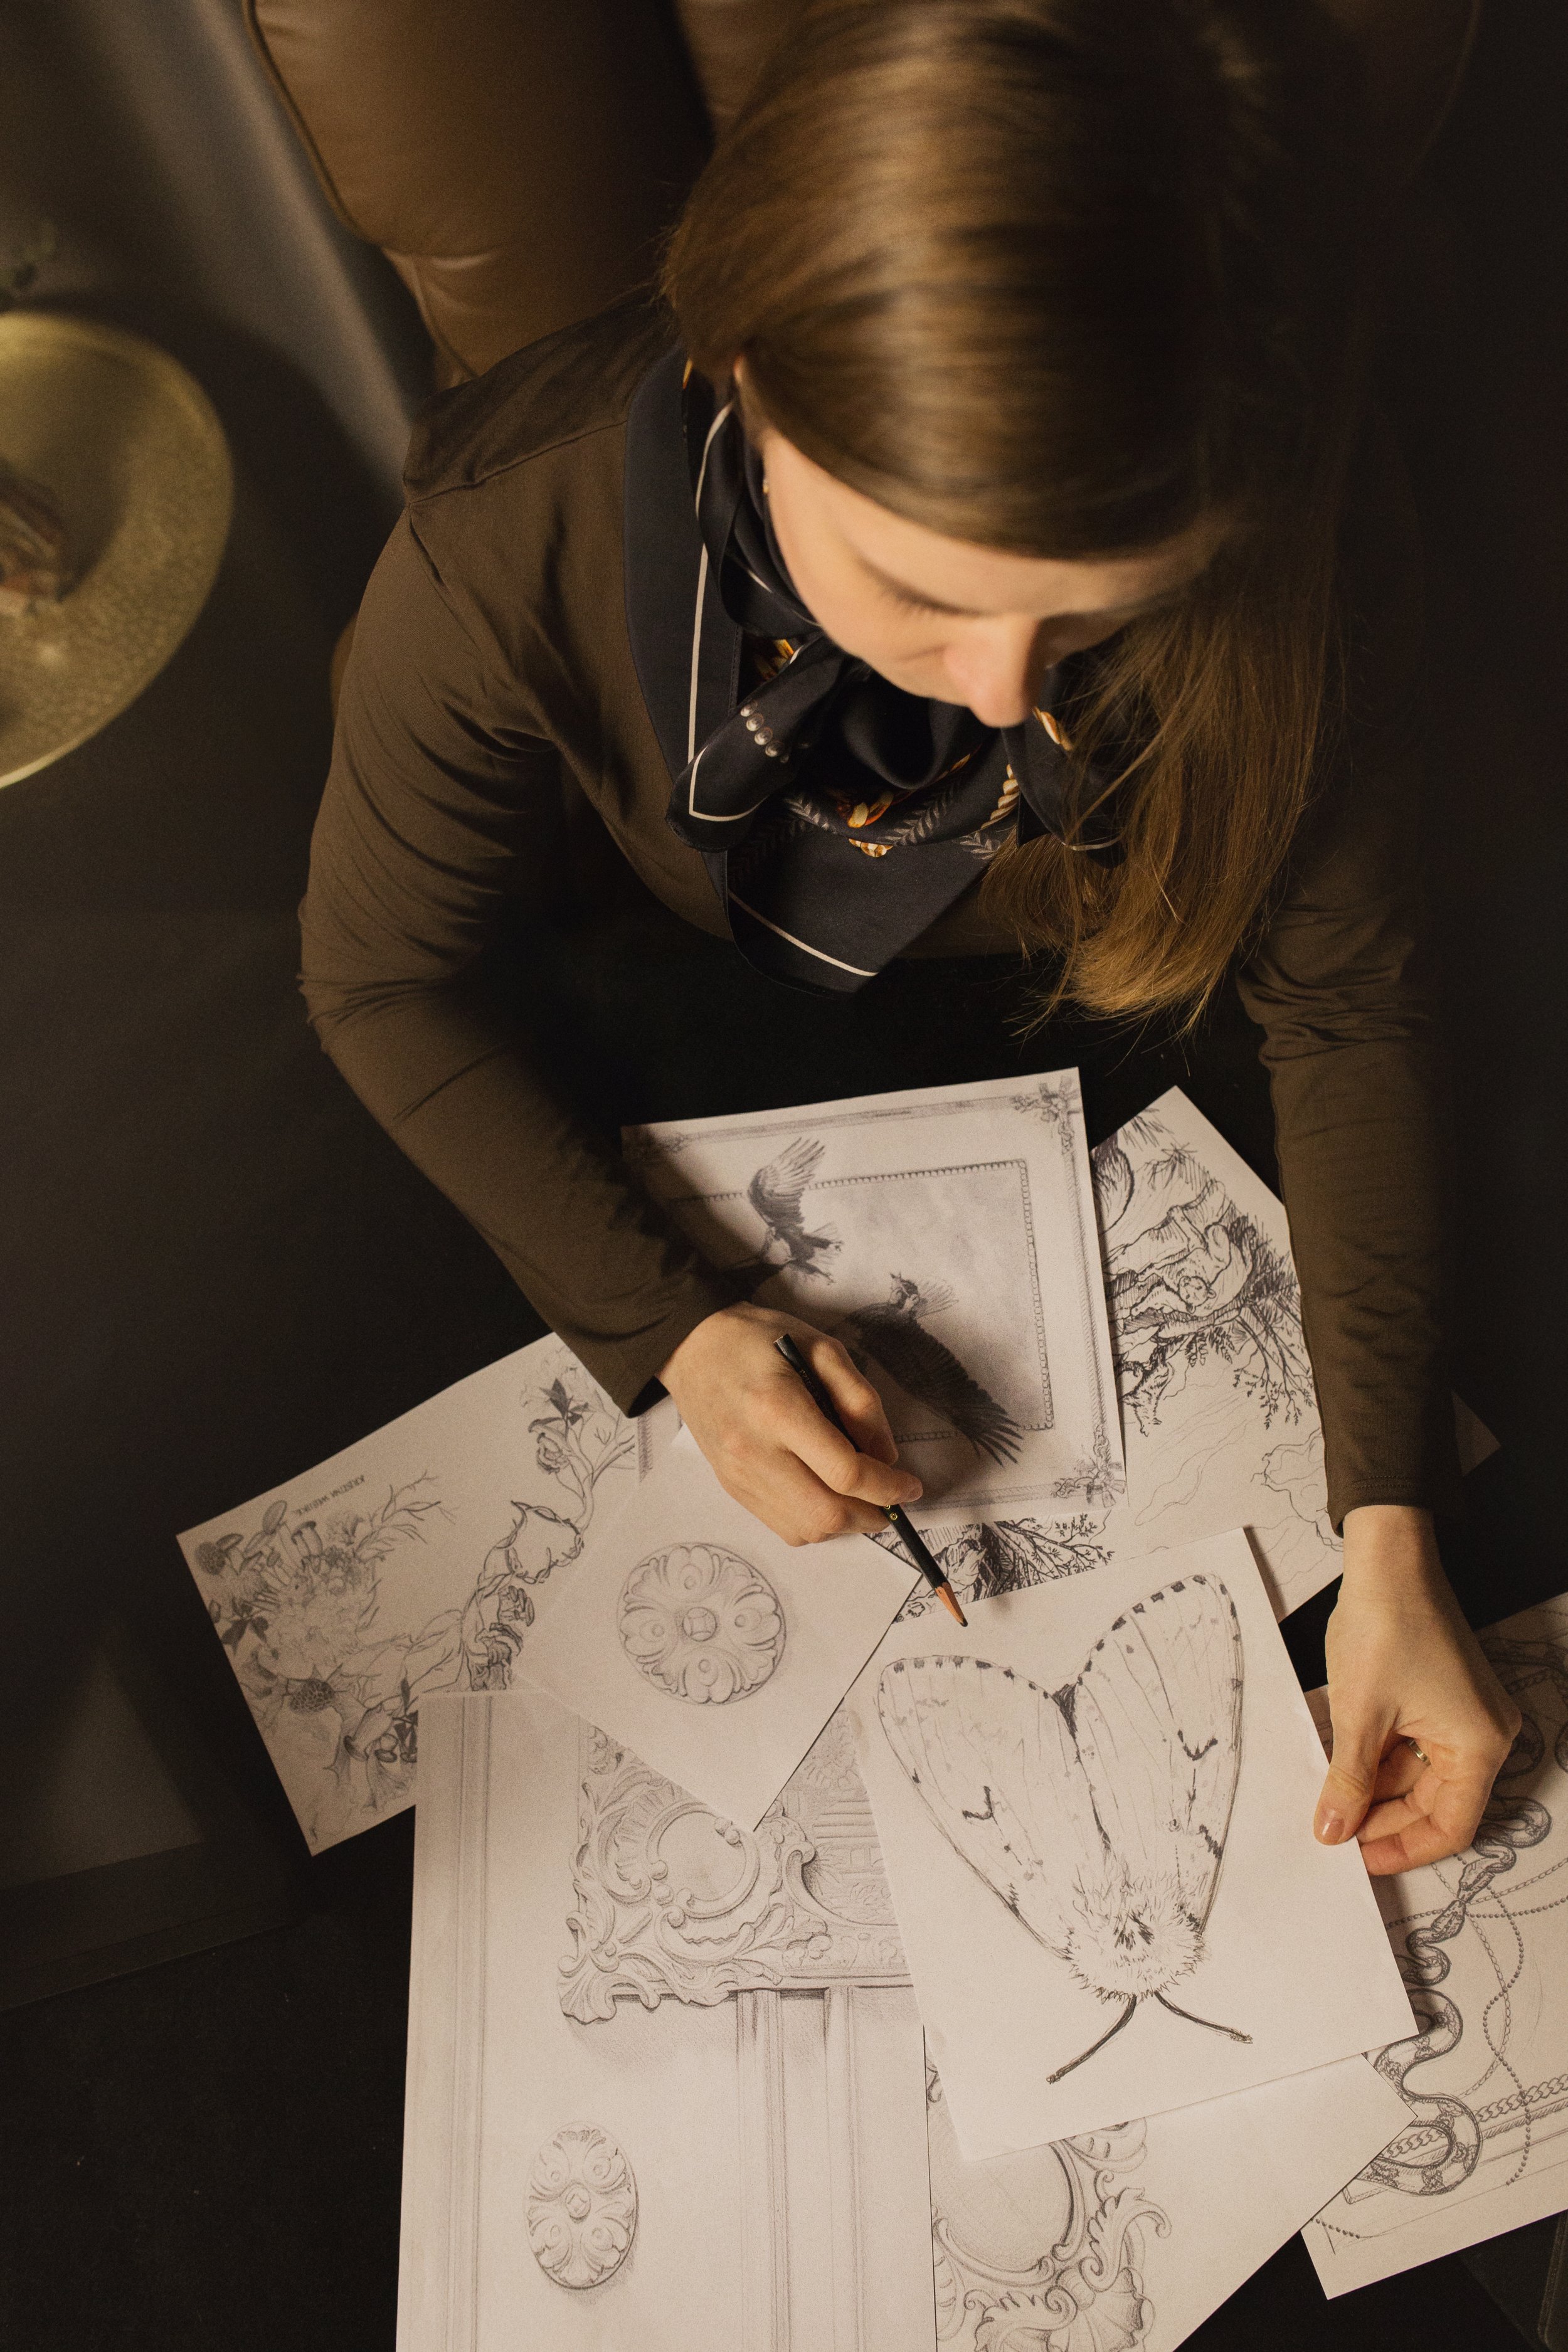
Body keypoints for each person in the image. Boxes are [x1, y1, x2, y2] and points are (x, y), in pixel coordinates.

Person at [300, 0, 1518, 1875]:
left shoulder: (1285, 509)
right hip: (704, 1015)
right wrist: (676, 1332)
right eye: (932, 591)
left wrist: (1393, 1541)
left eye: (1099, 616)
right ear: (749, 382)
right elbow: (378, 977)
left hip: (1153, 1000)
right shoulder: (500, 541)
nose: (1010, 697)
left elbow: (1351, 1000)